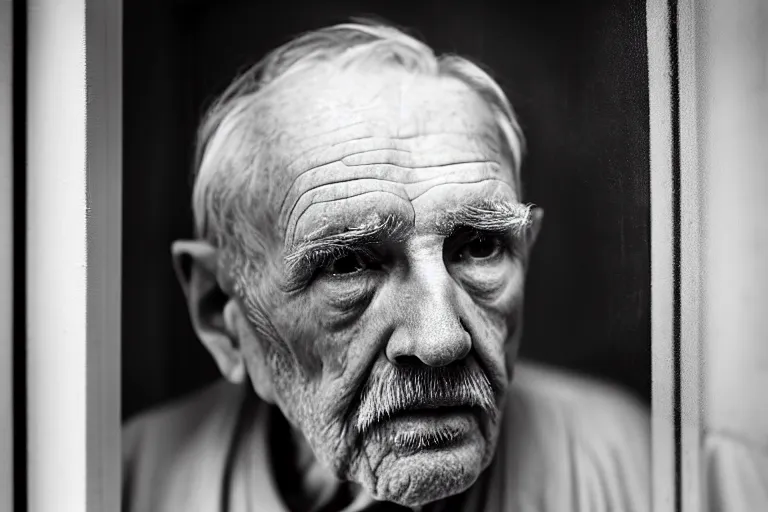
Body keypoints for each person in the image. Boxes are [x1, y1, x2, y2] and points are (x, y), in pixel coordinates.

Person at [122, 19, 650, 512]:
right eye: (349, 263)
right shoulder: (123, 481)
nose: (441, 341)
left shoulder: (647, 472)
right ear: (221, 311)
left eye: (480, 247)